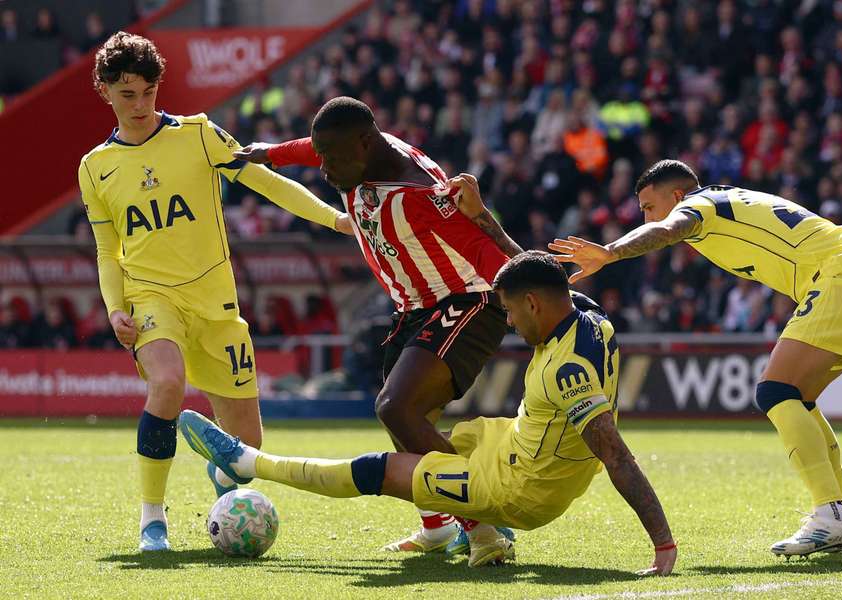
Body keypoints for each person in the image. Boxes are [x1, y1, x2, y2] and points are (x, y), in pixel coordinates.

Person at [178, 251, 677, 574]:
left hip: (522, 490)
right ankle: (470, 535)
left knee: (385, 470)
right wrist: (484, 220)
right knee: (423, 428)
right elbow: (546, 278)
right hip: (511, 444)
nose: (506, 321)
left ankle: (249, 464)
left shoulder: (568, 371)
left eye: (509, 311)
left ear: (532, 304)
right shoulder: (592, 319)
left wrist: (663, 546)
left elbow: (615, 454)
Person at [78, 32, 351, 552]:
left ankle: (225, 482)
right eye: (127, 93)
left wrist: (334, 219)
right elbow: (106, 249)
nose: (140, 105)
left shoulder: (199, 135)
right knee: (167, 384)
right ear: (105, 91)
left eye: (148, 92)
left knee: (248, 451)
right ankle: (152, 522)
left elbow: (267, 182)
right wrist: (116, 309)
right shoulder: (95, 167)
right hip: (151, 296)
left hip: (217, 304)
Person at [549, 159, 842, 557]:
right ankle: (839, 516)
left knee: (776, 391)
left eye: (647, 206)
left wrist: (610, 252)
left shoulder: (699, 205)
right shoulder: (726, 202)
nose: (644, 215)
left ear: (676, 196)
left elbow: (666, 229)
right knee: (794, 397)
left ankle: (832, 514)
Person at [233, 97, 523, 559]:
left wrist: (543, 299)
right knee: (403, 419)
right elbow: (315, 146)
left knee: (396, 407)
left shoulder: (421, 196)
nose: (323, 167)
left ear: (365, 143)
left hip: (467, 301)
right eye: (321, 154)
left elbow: (488, 255)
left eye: (330, 156)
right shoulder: (356, 150)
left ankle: (483, 527)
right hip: (415, 307)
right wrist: (270, 152)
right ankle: (438, 527)